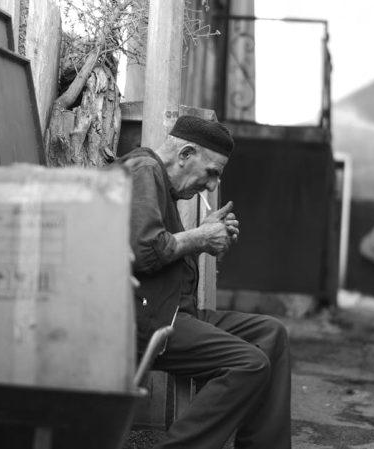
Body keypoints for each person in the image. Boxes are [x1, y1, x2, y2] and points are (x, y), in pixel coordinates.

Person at [117, 115, 291, 449]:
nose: (211, 186)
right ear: (185, 154)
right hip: (151, 321)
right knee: (248, 364)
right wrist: (199, 238)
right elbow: (143, 251)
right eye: (211, 172)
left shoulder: (160, 185)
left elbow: (162, 260)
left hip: (174, 312)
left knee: (272, 334)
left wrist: (205, 234)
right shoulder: (144, 170)